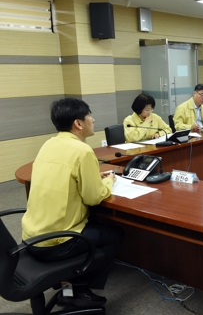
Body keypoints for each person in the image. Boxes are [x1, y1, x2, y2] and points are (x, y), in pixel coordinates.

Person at [22, 98, 124, 308]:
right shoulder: (83, 151)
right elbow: (93, 197)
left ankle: (68, 280)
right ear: (78, 123)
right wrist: (109, 181)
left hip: (31, 237)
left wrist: (94, 177)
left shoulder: (49, 144)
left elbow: (63, 176)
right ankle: (81, 289)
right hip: (57, 242)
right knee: (115, 234)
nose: (93, 120)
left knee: (96, 225)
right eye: (89, 116)